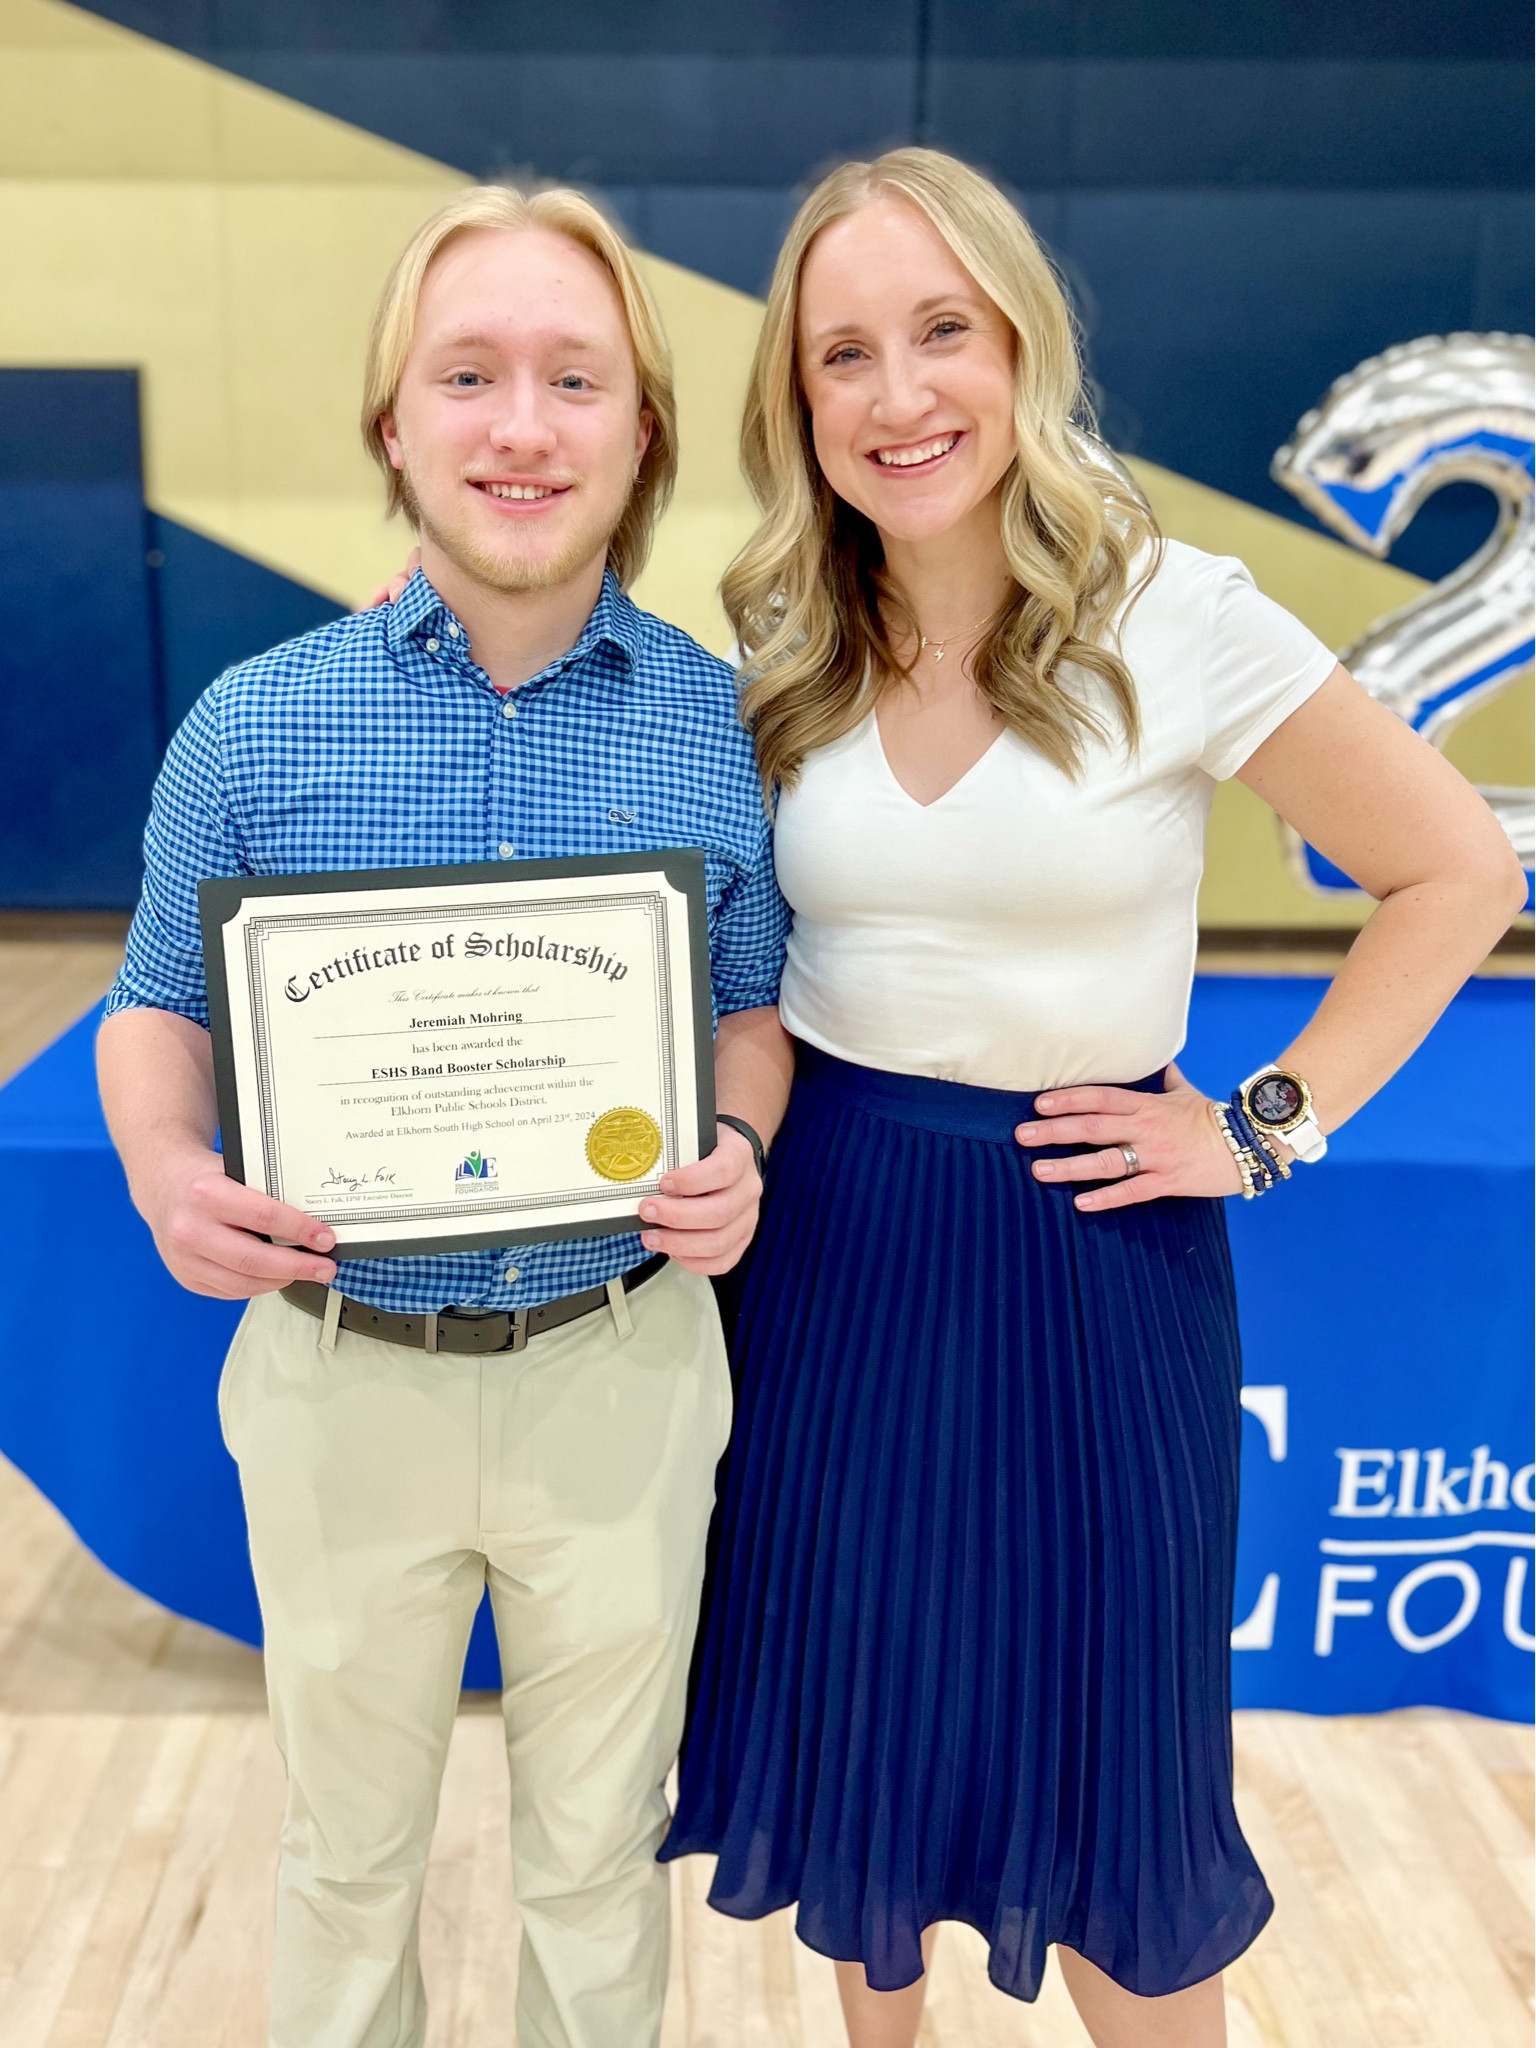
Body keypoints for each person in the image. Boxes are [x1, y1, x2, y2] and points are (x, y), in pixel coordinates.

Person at [655, 149, 1526, 2048]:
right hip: (830, 1250)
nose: (900, 397)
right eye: (846, 355)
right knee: (860, 1737)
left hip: (1090, 1247)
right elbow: (732, 960)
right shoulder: (780, 642)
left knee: (1121, 1788)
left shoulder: (1175, 608)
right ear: (797, 402)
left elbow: (1456, 869)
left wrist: (1261, 1125)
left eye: (941, 333)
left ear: (1020, 340)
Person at [95, 184, 794, 2048]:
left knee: (593, 1858)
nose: (520, 423)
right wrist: (170, 1172)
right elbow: (155, 1001)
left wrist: (740, 1149)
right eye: (467, 373)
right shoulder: (252, 725)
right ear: (393, 423)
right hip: (342, 1372)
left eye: (576, 379)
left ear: (640, 432)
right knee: (343, 1854)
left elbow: (750, 1006)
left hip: (622, 1366)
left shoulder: (726, 730)